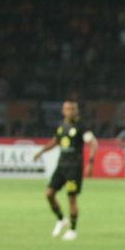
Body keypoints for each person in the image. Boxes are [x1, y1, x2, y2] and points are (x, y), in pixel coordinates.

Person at [33, 100, 97, 241]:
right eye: (67, 108)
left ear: (76, 111)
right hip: (61, 166)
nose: (69, 111)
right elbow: (55, 141)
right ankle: (61, 219)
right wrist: (41, 151)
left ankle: (73, 230)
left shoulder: (81, 127)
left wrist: (91, 163)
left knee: (71, 198)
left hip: (74, 168)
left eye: (72, 109)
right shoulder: (62, 126)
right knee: (49, 194)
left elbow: (93, 143)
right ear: (63, 111)